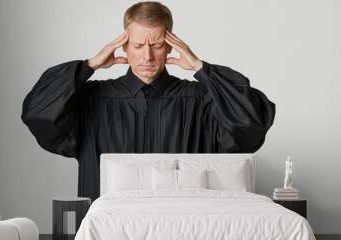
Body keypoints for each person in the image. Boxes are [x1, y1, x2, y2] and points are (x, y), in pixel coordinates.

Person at [21, 1, 276, 201]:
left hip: (184, 233)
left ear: (170, 47)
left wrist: (202, 69)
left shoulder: (201, 101)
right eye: (137, 44)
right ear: (123, 47)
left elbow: (250, 124)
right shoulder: (91, 100)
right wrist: (89, 65)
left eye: (156, 45)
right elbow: (38, 114)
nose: (147, 56)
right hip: (107, 236)